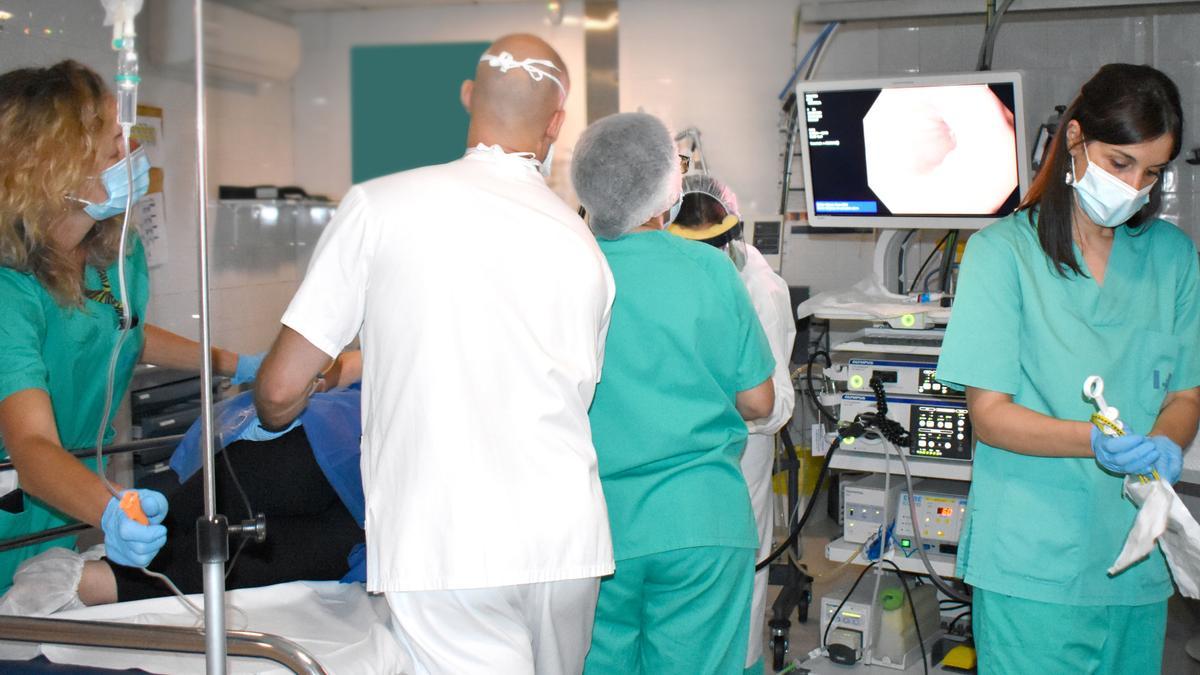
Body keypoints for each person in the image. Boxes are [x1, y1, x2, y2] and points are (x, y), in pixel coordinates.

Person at [254, 34, 615, 675]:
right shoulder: (583, 246)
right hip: (565, 543)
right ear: (557, 124)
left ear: (468, 96)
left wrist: (284, 404)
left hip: (445, 539)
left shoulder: (380, 206)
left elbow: (279, 390)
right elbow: (572, 396)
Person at [936, 63, 1197, 674]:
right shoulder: (1004, 256)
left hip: (1135, 558)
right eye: (1120, 163)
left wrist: (1165, 441)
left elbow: (1185, 392)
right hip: (1033, 563)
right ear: (1075, 140)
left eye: (1152, 171)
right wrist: (1094, 442)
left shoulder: (1173, 259)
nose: (1135, 185)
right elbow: (992, 417)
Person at [0, 60, 267, 603]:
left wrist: (232, 363)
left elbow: (123, 331)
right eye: (112, 148)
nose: (131, 157)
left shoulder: (112, 253)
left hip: (55, 498)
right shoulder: (10, 290)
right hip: (25, 486)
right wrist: (107, 506)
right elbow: (30, 446)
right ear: (50, 166)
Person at [571, 113, 776, 675]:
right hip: (701, 522)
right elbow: (758, 401)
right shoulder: (711, 270)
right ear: (669, 189)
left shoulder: (567, 271)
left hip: (594, 526)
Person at [668, 173, 796, 675]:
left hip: (741, 454)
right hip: (688, 456)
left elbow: (770, 402)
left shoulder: (758, 290)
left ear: (733, 235)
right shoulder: (674, 275)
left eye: (715, 244)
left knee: (740, 577)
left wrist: (707, 404)